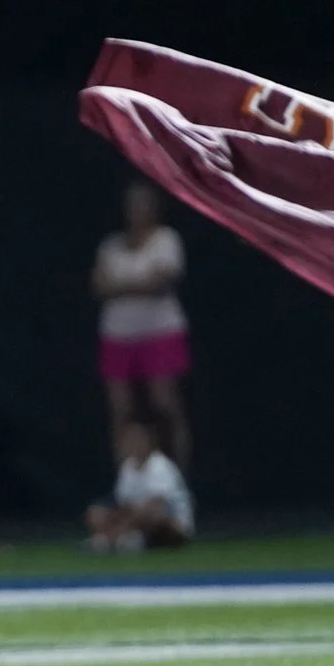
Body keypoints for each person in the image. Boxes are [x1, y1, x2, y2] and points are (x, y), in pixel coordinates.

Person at [94, 181, 191, 468]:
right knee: (122, 413)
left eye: (143, 204)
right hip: (117, 336)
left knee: (165, 407)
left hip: (160, 333)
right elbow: (99, 286)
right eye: (132, 205)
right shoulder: (110, 246)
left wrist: (120, 285)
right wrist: (140, 283)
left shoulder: (167, 240)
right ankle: (127, 487)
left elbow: (160, 282)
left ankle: (175, 482)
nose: (137, 211)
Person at [87, 420, 195, 549]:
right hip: (136, 522)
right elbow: (123, 503)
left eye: (138, 439)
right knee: (96, 513)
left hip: (172, 527)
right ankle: (122, 538)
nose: (134, 444)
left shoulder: (160, 465)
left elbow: (156, 506)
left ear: (149, 441)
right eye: (130, 440)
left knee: (153, 513)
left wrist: (122, 524)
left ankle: (117, 538)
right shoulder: (127, 466)